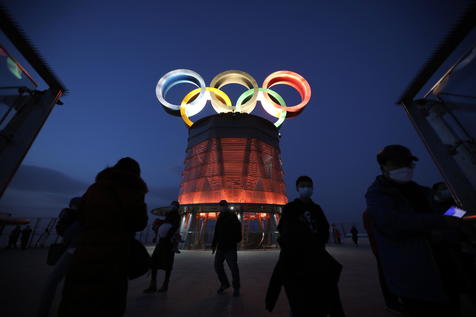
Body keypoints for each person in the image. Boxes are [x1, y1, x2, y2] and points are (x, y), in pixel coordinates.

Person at [365, 145, 460, 317]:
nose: (404, 168)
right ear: (383, 166)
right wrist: (440, 221)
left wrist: (461, 212)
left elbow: (444, 210)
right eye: (397, 164)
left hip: (443, 270)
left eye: (407, 163)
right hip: (413, 278)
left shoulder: (423, 191)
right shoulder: (377, 195)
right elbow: (392, 223)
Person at [58, 157, 148, 317]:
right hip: (116, 255)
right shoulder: (134, 191)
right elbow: (140, 223)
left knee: (75, 299)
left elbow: (82, 215)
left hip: (84, 251)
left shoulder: (95, 188)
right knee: (108, 302)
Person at [266, 176, 345, 316]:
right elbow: (285, 231)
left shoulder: (317, 209)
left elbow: (324, 229)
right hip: (295, 259)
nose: (306, 188)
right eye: (303, 185)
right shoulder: (290, 208)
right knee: (299, 299)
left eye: (309, 185)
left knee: (320, 295)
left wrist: (317, 245)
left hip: (316, 258)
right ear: (297, 188)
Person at [37, 197, 82, 317]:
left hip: (72, 249)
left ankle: (43, 312)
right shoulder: (79, 218)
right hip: (76, 248)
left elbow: (64, 232)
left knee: (53, 280)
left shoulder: (70, 216)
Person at [144, 201, 181, 293]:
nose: (172, 207)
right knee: (155, 263)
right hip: (162, 242)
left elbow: (174, 227)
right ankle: (154, 285)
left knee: (166, 265)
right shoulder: (169, 215)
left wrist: (167, 235)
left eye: (174, 206)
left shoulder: (176, 216)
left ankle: (164, 285)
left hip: (167, 243)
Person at [212, 200, 242, 297]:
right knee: (217, 266)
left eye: (222, 206)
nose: (221, 207)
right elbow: (217, 231)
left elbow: (238, 228)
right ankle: (224, 284)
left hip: (230, 247)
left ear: (226, 206)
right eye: (220, 206)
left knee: (233, 268)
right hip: (221, 247)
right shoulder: (220, 217)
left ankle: (236, 288)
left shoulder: (232, 216)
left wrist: (236, 240)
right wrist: (214, 244)